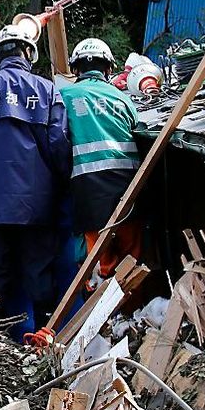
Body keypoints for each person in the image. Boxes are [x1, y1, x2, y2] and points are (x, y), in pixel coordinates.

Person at [0, 23, 71, 338]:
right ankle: (45, 338)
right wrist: (60, 183)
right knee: (39, 270)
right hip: (37, 201)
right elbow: (59, 143)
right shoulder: (46, 89)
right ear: (28, 53)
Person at [60, 39, 143, 292]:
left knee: (96, 265)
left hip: (87, 189)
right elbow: (136, 128)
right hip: (129, 186)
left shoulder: (63, 96)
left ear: (76, 70)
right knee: (133, 262)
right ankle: (135, 318)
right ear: (108, 69)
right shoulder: (121, 97)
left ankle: (102, 325)